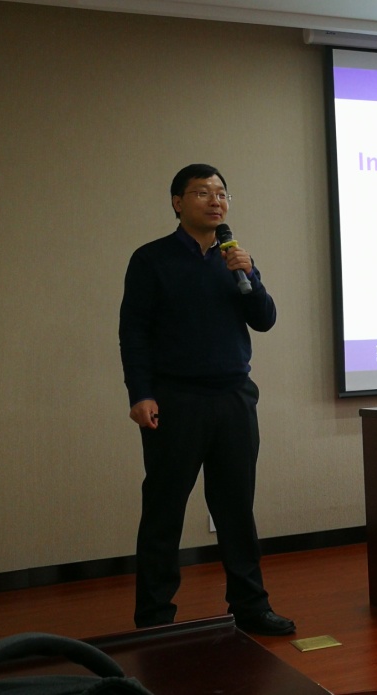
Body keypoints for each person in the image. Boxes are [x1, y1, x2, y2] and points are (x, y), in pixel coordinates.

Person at [118, 163, 294, 636]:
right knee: (164, 511)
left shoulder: (235, 258)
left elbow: (265, 319)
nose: (216, 200)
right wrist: (141, 393)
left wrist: (251, 276)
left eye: (222, 193)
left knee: (236, 509)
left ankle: (251, 607)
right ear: (178, 203)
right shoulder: (151, 259)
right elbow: (134, 333)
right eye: (202, 192)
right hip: (175, 400)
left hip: (234, 399)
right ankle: (154, 619)